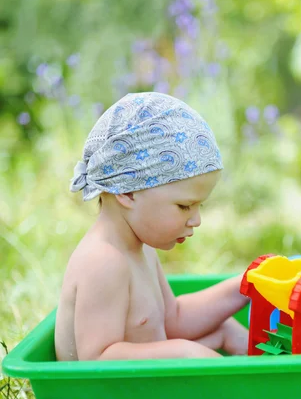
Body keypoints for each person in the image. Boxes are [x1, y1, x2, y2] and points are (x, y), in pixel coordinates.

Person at [55, 92, 250, 361]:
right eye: (184, 206)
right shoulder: (103, 261)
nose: (196, 220)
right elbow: (97, 359)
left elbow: (173, 320)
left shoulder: (140, 249)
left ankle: (272, 367)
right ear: (128, 192)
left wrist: (245, 286)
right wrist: (184, 351)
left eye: (199, 206)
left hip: (137, 392)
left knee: (225, 327)